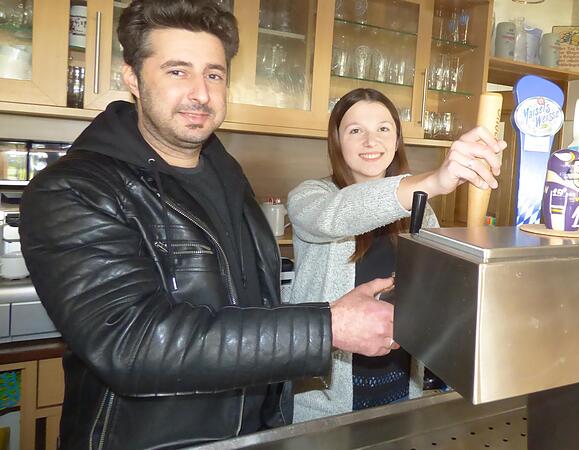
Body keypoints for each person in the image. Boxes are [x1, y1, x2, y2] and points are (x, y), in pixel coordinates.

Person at [20, 2, 401, 449]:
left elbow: (250, 303)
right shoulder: (75, 188)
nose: (200, 93)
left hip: (253, 432)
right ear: (133, 78)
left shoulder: (226, 174)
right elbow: (132, 343)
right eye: (177, 71)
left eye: (214, 74)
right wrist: (327, 328)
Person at [287, 88, 506, 421]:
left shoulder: (421, 210)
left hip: (403, 390)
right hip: (324, 406)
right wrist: (433, 181)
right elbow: (338, 214)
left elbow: (437, 290)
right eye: (355, 130)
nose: (371, 140)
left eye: (383, 129)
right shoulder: (310, 197)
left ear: (397, 139)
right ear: (337, 141)